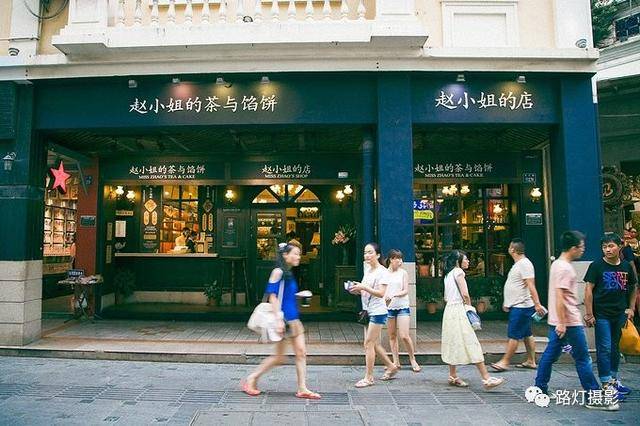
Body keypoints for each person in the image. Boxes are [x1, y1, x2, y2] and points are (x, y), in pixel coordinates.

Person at [534, 231, 619, 411]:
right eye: (581, 247)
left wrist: (558, 321)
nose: (583, 250)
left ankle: (540, 388)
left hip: (558, 319)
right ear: (573, 248)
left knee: (550, 355)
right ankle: (593, 396)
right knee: (583, 358)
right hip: (568, 321)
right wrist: (563, 323)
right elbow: (560, 296)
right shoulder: (564, 267)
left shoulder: (557, 264)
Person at [242, 243, 321, 400]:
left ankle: (302, 388)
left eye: (299, 254)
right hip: (284, 320)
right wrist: (279, 320)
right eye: (296, 254)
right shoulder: (278, 272)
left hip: (293, 319)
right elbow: (273, 296)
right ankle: (252, 378)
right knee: (279, 358)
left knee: (301, 353)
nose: (298, 257)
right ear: (286, 255)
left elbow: (284, 296)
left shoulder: (289, 273)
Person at [441, 250, 505, 390]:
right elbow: (465, 294)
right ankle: (486, 378)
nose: (468, 261)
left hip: (449, 311)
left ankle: (453, 375)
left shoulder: (448, 274)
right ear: (458, 261)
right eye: (466, 259)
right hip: (459, 309)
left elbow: (446, 298)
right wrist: (469, 307)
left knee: (453, 342)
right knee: (471, 342)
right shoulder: (459, 273)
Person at [584, 232, 637, 398]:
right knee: (605, 347)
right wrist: (589, 314)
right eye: (604, 247)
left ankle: (614, 379)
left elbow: (634, 287)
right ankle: (606, 383)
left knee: (615, 348)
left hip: (620, 314)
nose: (607, 249)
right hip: (602, 314)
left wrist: (631, 308)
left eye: (611, 246)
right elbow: (588, 289)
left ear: (619, 246)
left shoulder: (626, 266)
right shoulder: (596, 266)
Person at [490, 238, 546, 372]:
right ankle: (531, 360)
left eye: (509, 247)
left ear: (512, 249)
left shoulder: (524, 264)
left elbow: (531, 285)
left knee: (514, 335)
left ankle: (505, 361)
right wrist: (507, 302)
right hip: (519, 304)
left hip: (522, 306)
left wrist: (537, 304)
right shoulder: (520, 264)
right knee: (527, 334)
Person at [349, 243, 398, 387]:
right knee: (374, 344)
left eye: (370, 252)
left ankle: (369, 378)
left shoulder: (383, 272)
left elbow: (381, 293)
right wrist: (357, 289)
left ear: (377, 255)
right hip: (368, 310)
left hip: (378, 311)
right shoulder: (368, 270)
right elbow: (367, 291)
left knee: (368, 343)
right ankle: (391, 366)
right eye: (365, 253)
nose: (367, 255)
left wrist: (364, 287)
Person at [384, 249, 421, 372]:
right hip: (389, 307)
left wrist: (394, 295)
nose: (400, 261)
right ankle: (396, 361)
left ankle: (413, 359)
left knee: (404, 335)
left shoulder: (403, 273)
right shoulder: (384, 273)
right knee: (392, 335)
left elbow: (405, 290)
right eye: (397, 258)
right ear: (391, 259)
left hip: (402, 306)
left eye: (400, 258)